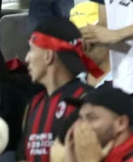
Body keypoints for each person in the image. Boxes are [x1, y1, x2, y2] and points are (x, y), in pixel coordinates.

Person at [19, 18, 92, 161]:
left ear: (48, 56)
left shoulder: (85, 99)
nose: (26, 59)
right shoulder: (33, 105)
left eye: (31, 50)